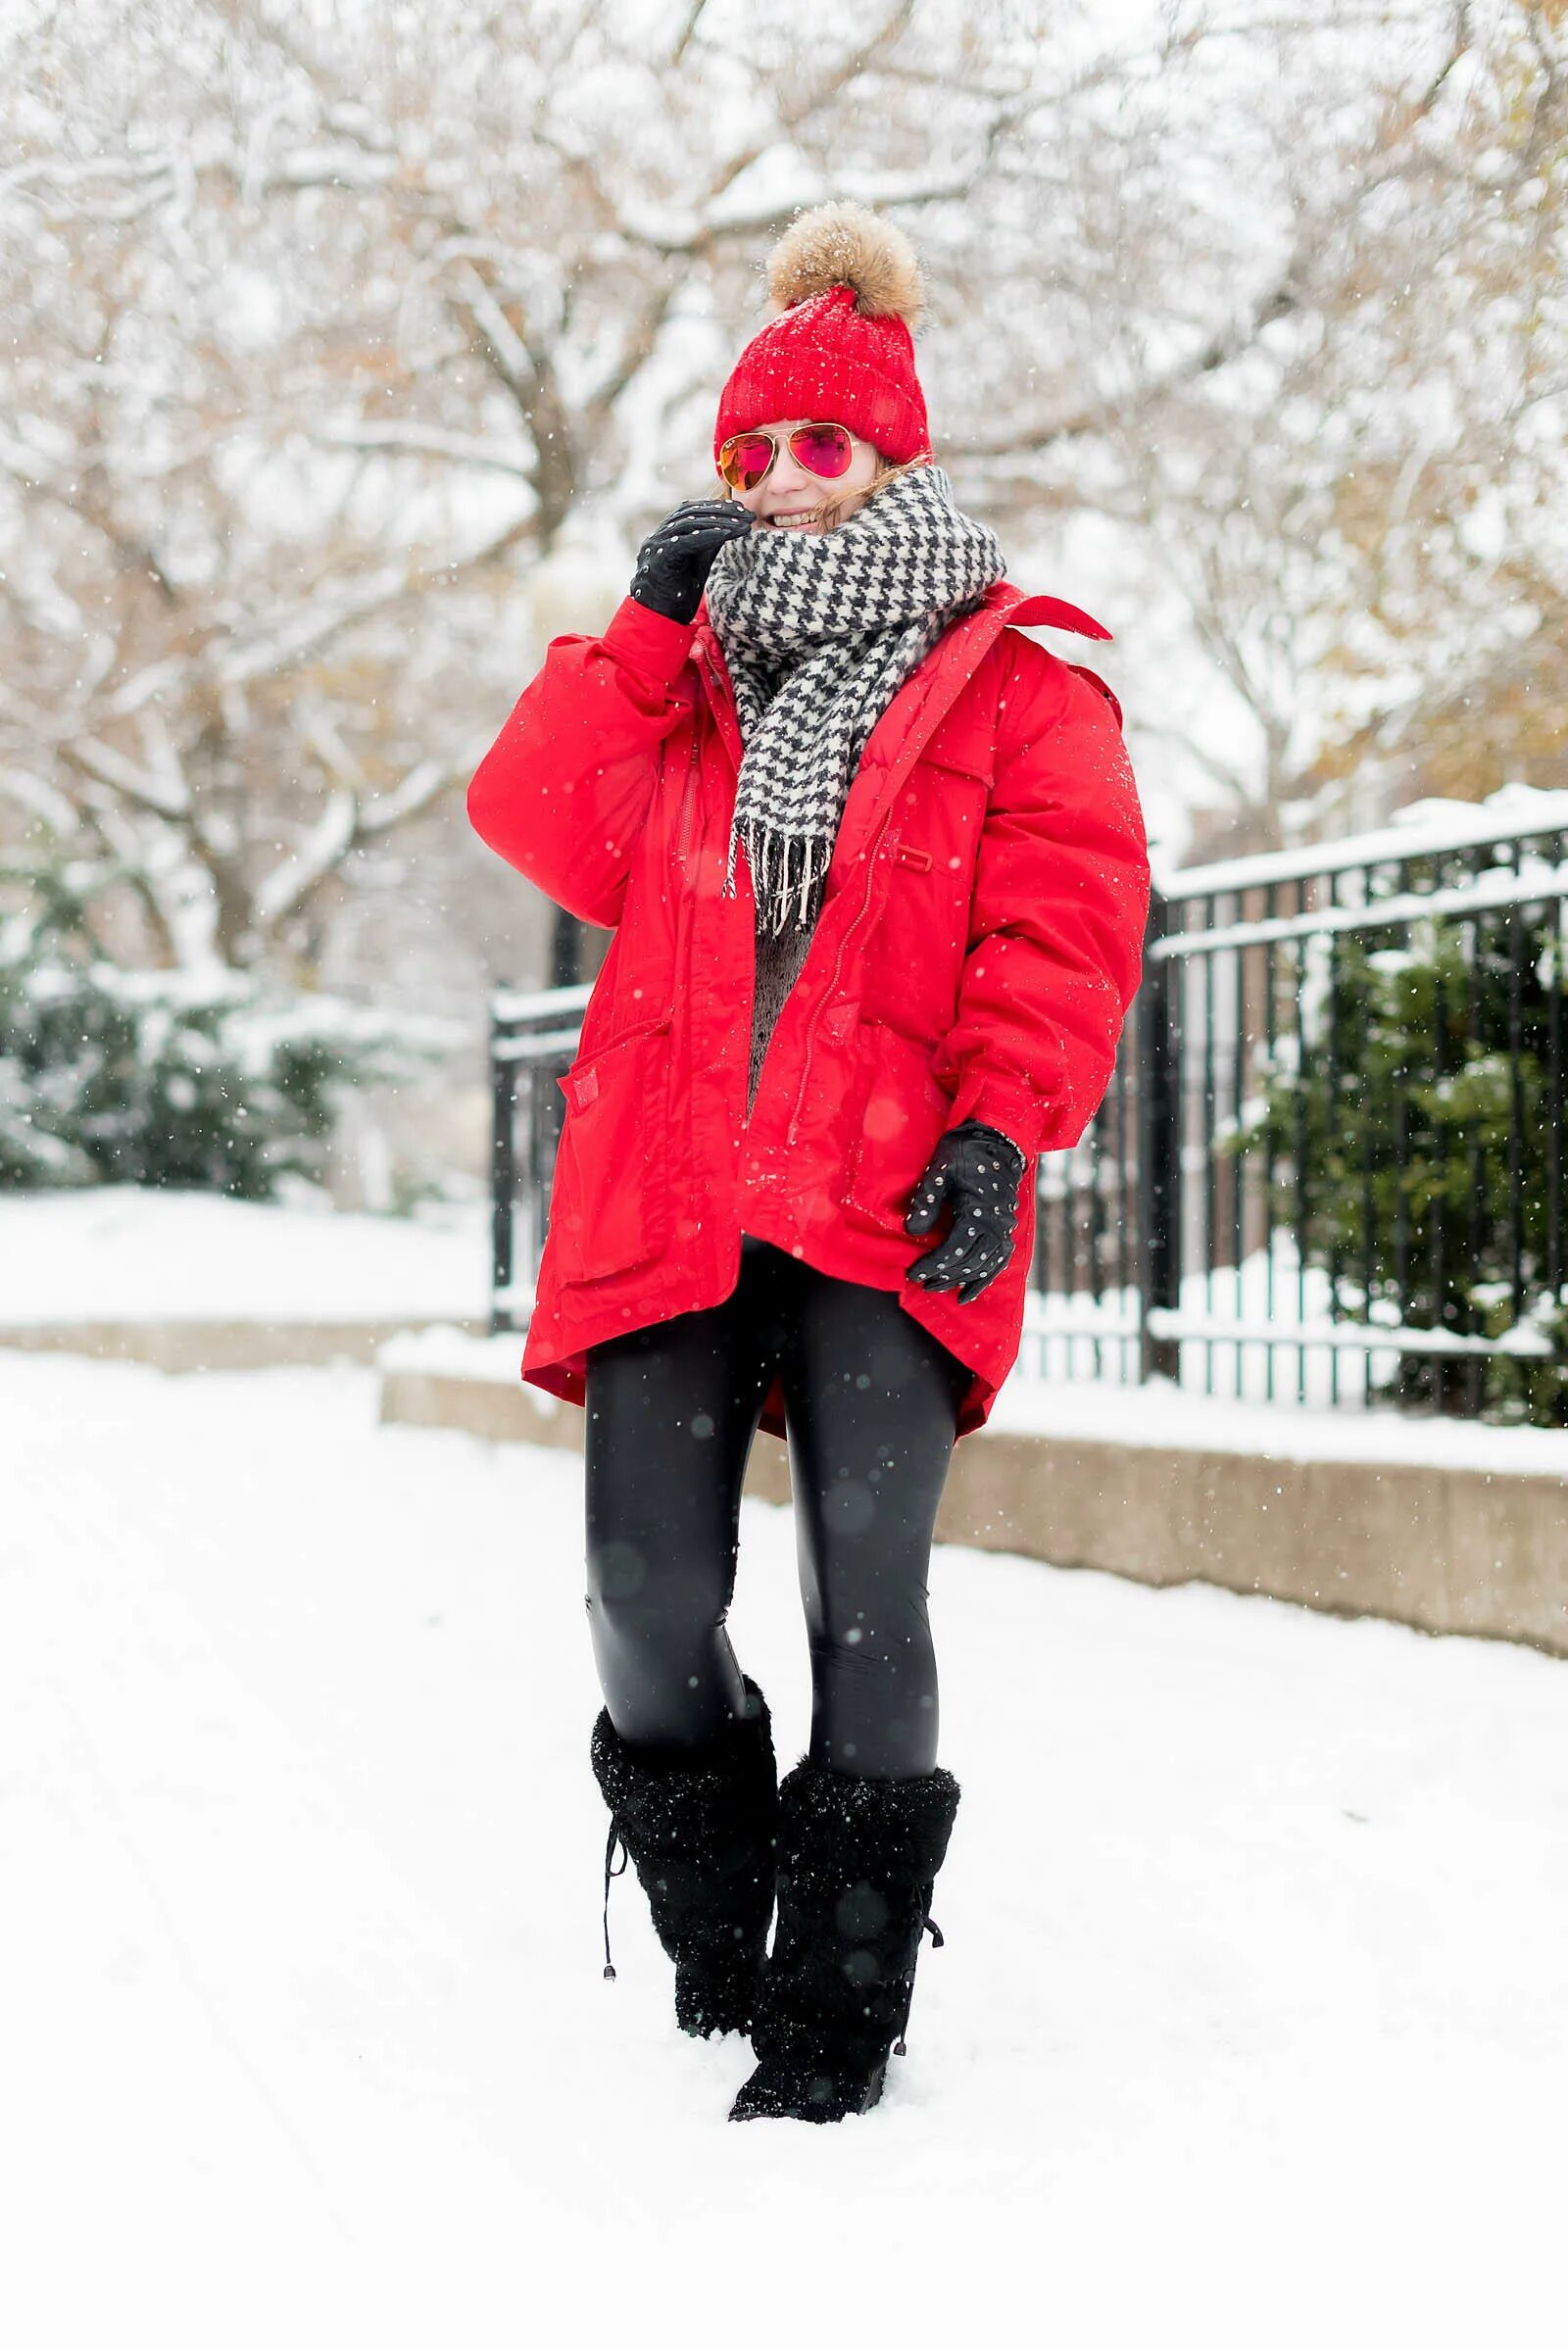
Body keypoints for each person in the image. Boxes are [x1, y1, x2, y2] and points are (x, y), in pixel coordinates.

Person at [466, 200, 1151, 2123]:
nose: (783, 485)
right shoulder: (672, 673)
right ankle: (717, 1889)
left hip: (887, 1180)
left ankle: (837, 2007)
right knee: (637, 1586)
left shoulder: (1019, 678)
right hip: (671, 1182)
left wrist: (1004, 1119)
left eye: (822, 449)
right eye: (748, 455)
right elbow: (537, 826)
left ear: (895, 454)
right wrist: (635, 633)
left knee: (869, 1589)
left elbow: (1065, 921)